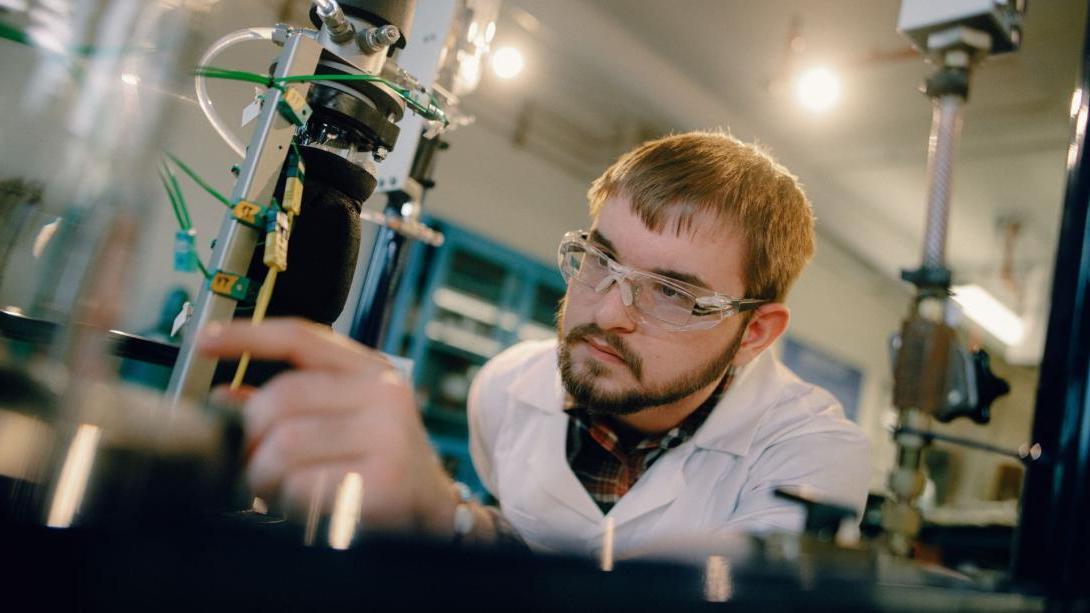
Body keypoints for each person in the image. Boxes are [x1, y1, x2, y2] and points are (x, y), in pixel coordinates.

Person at [198, 131, 870, 557]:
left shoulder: (810, 459)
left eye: (671, 293)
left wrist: (446, 519)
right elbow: (531, 537)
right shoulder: (504, 389)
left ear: (754, 330)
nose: (609, 312)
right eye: (600, 260)